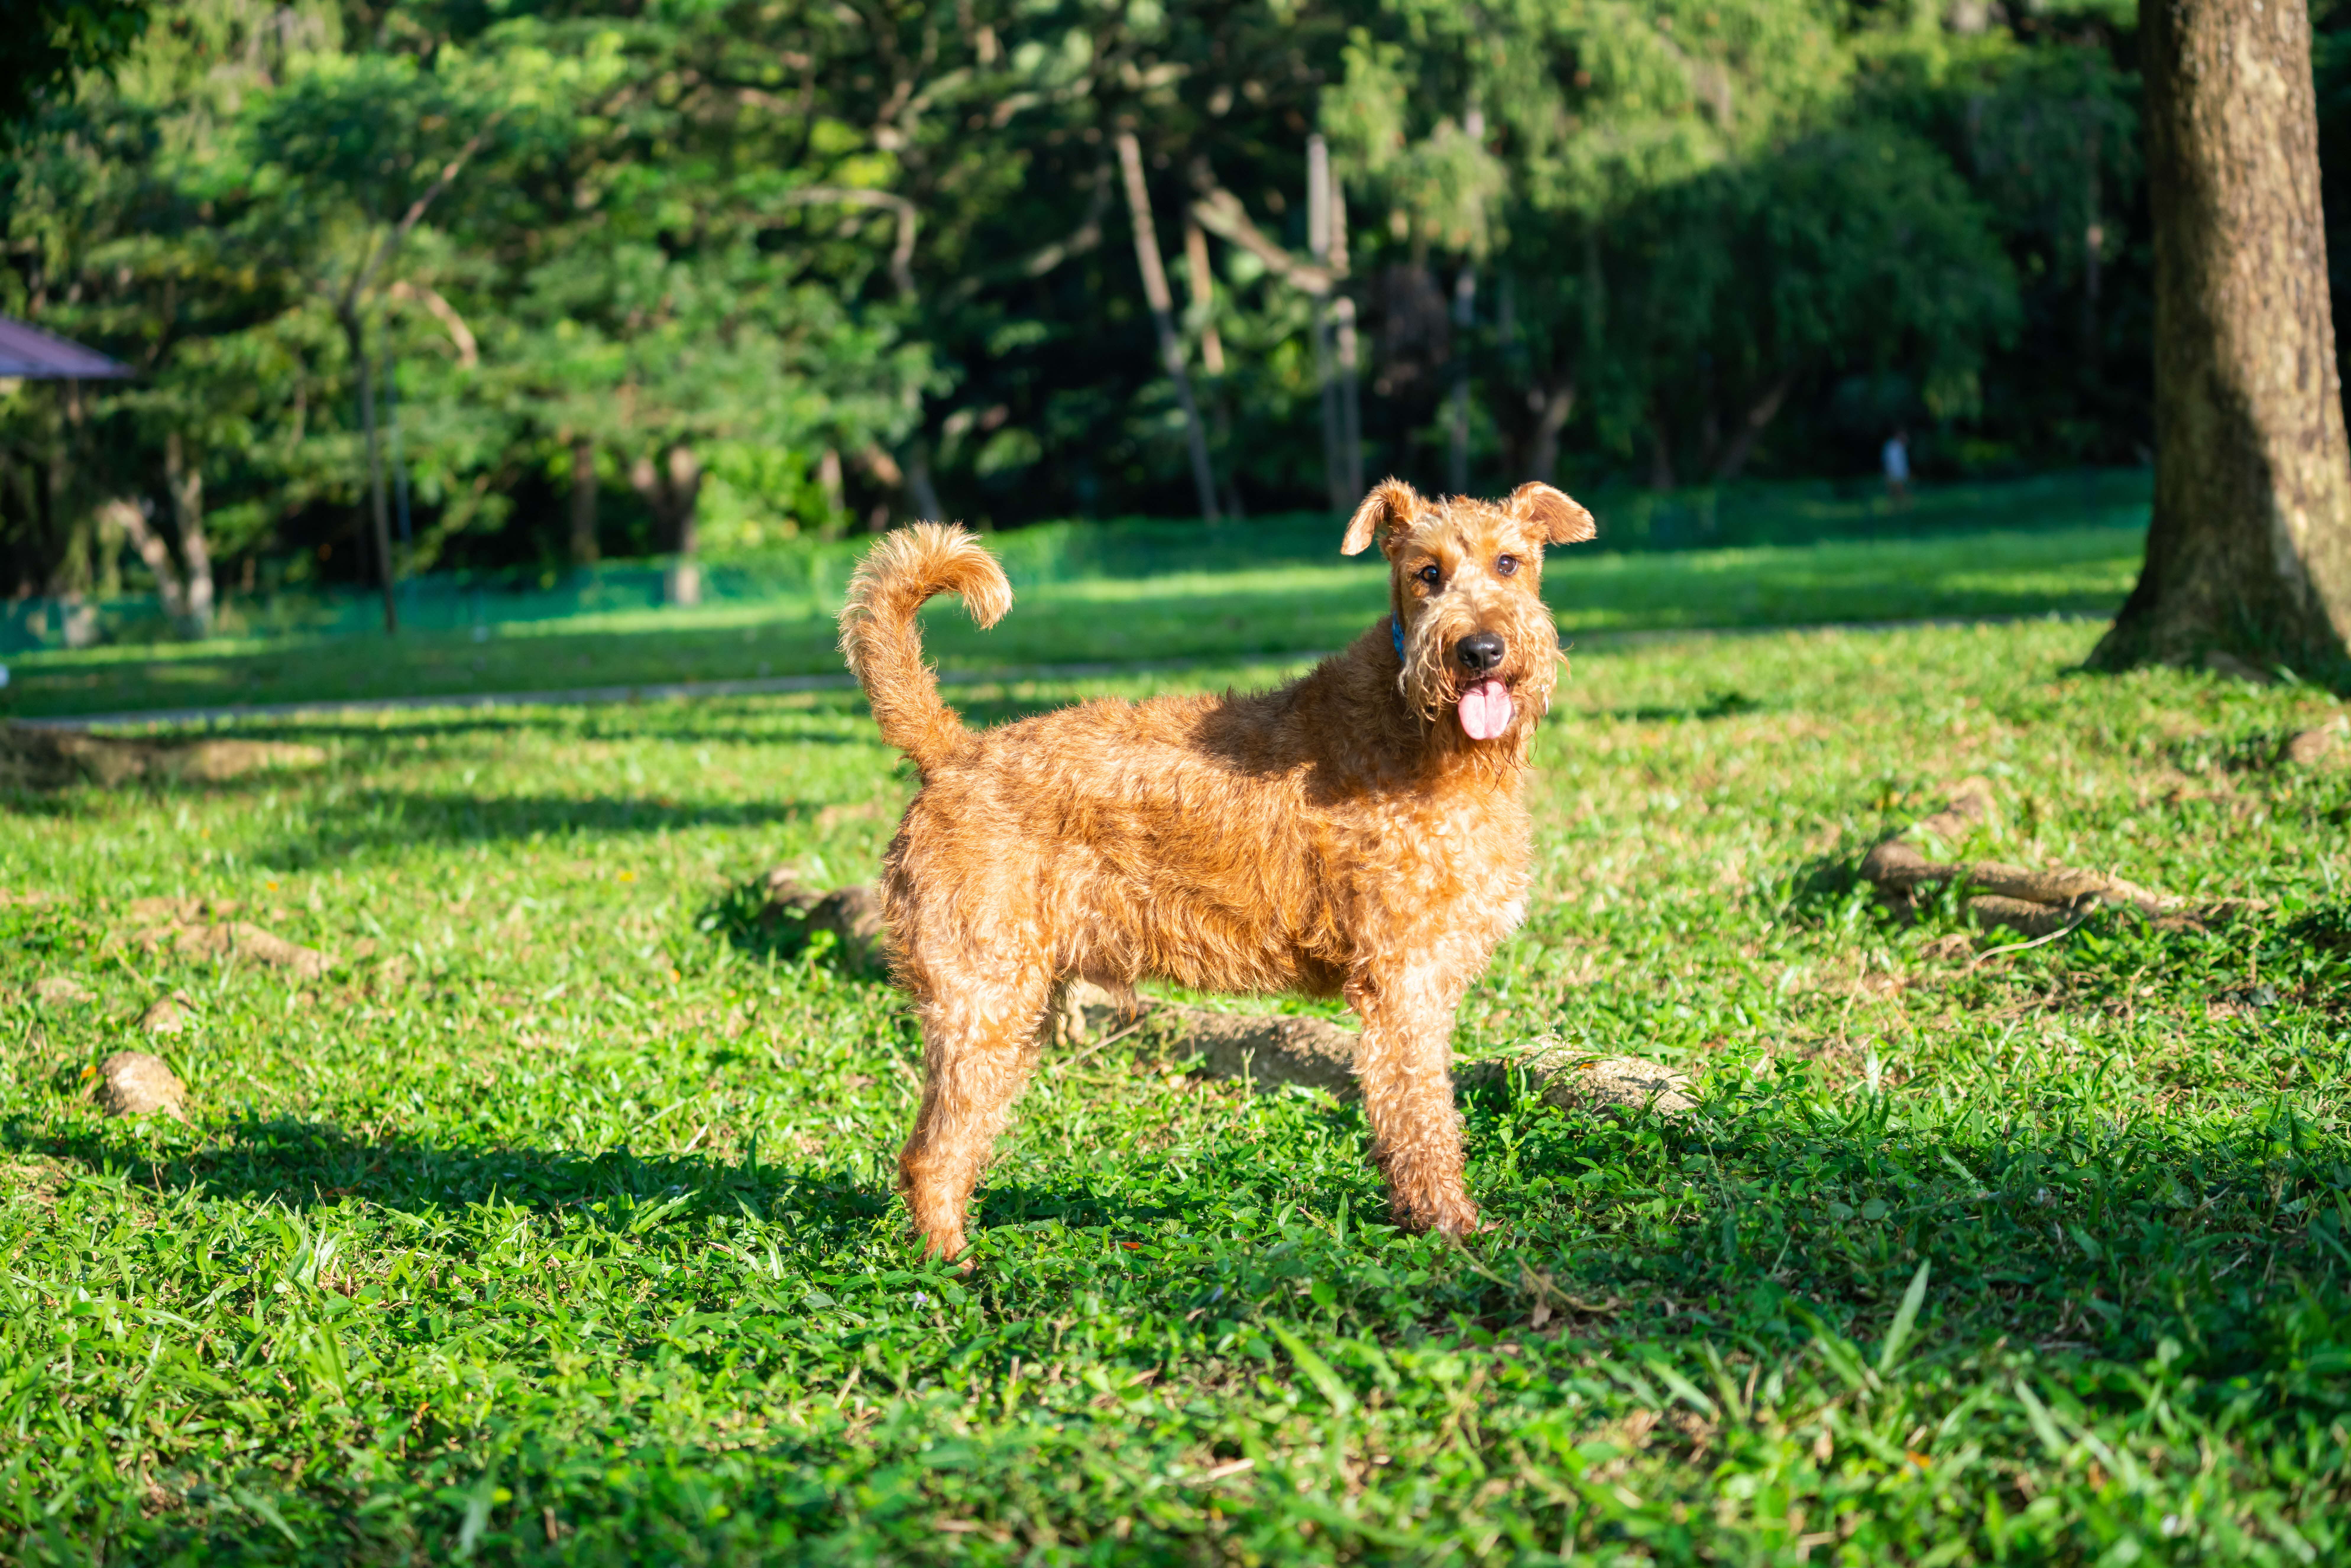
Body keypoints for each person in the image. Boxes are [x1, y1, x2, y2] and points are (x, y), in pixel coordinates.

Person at [1882, 428, 1912, 508]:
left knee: (1898, 493)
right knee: (1897, 493)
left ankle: (1900, 508)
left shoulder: (1900, 447)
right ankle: (1901, 508)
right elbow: (1892, 462)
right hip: (1895, 474)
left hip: (1897, 474)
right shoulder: (1894, 446)